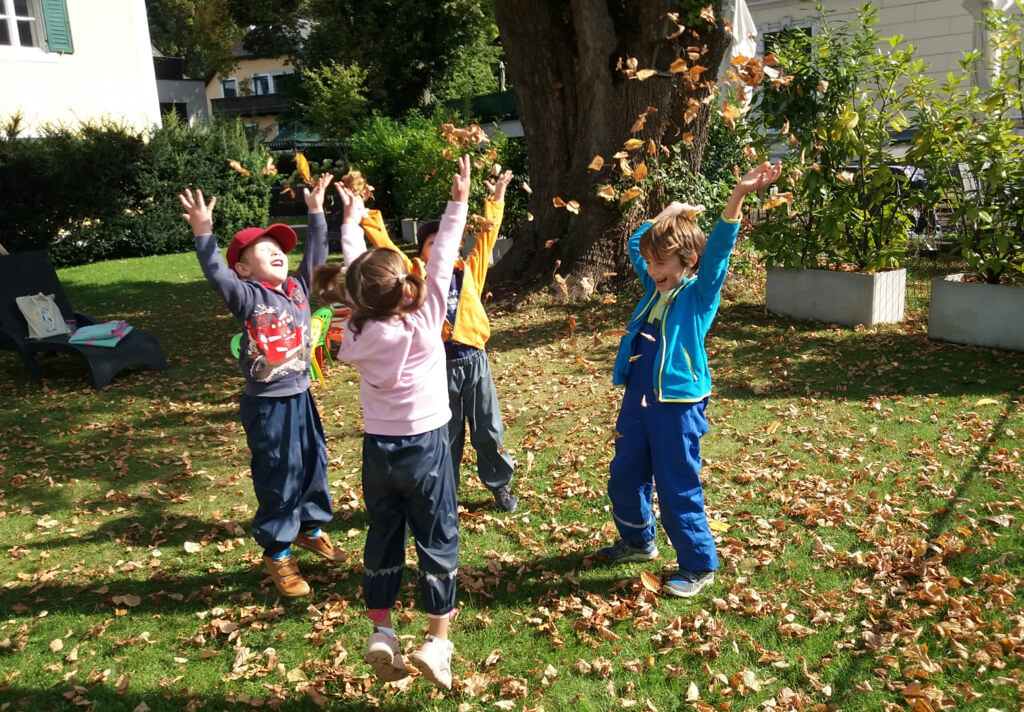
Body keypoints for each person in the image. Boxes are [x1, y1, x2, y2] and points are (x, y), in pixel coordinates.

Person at [312, 155, 473, 690]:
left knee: (384, 535)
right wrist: (458, 203)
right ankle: (437, 641)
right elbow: (445, 256)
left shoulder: (354, 332)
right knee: (437, 536)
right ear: (405, 285)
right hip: (427, 448)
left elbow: (362, 276)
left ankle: (382, 631)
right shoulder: (426, 322)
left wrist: (349, 221)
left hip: (378, 452)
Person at [595, 160, 782, 598]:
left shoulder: (698, 295)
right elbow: (638, 240)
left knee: (676, 482)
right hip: (640, 392)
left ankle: (699, 565)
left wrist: (736, 197)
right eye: (650, 263)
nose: (651, 268)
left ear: (688, 261)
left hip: (678, 403)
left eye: (661, 262)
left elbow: (718, 252)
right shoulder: (654, 286)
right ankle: (639, 541)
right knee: (625, 473)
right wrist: (669, 214)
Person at [178, 174, 347, 599]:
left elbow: (316, 253)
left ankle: (309, 528)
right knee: (279, 473)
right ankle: (278, 551)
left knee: (312, 464)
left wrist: (315, 213)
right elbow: (216, 274)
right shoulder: (246, 295)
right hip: (268, 406)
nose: (276, 254)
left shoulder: (297, 289)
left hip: (301, 397)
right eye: (264, 251)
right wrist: (203, 233)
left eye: (279, 250)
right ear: (243, 266)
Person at [359, 169, 519, 513]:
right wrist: (365, 216)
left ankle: (500, 483)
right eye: (434, 244)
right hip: (436, 367)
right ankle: (444, 489)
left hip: (475, 361)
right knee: (445, 435)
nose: (447, 247)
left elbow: (487, 239)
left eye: (449, 242)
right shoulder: (413, 277)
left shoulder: (468, 270)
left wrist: (496, 199)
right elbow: (386, 248)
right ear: (422, 251)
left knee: (488, 429)